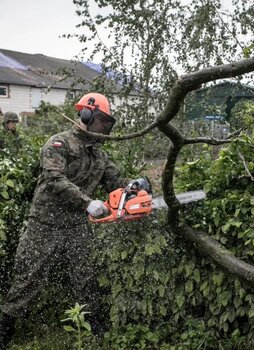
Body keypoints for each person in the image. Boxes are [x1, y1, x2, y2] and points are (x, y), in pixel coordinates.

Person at [0, 92, 151, 349]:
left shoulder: (99, 155)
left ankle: (91, 324)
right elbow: (54, 179)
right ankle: (4, 332)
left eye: (107, 122)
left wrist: (136, 186)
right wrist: (87, 202)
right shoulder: (59, 144)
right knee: (28, 280)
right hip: (45, 223)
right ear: (86, 114)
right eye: (100, 120)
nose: (103, 127)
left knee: (86, 277)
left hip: (77, 224)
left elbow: (116, 181)